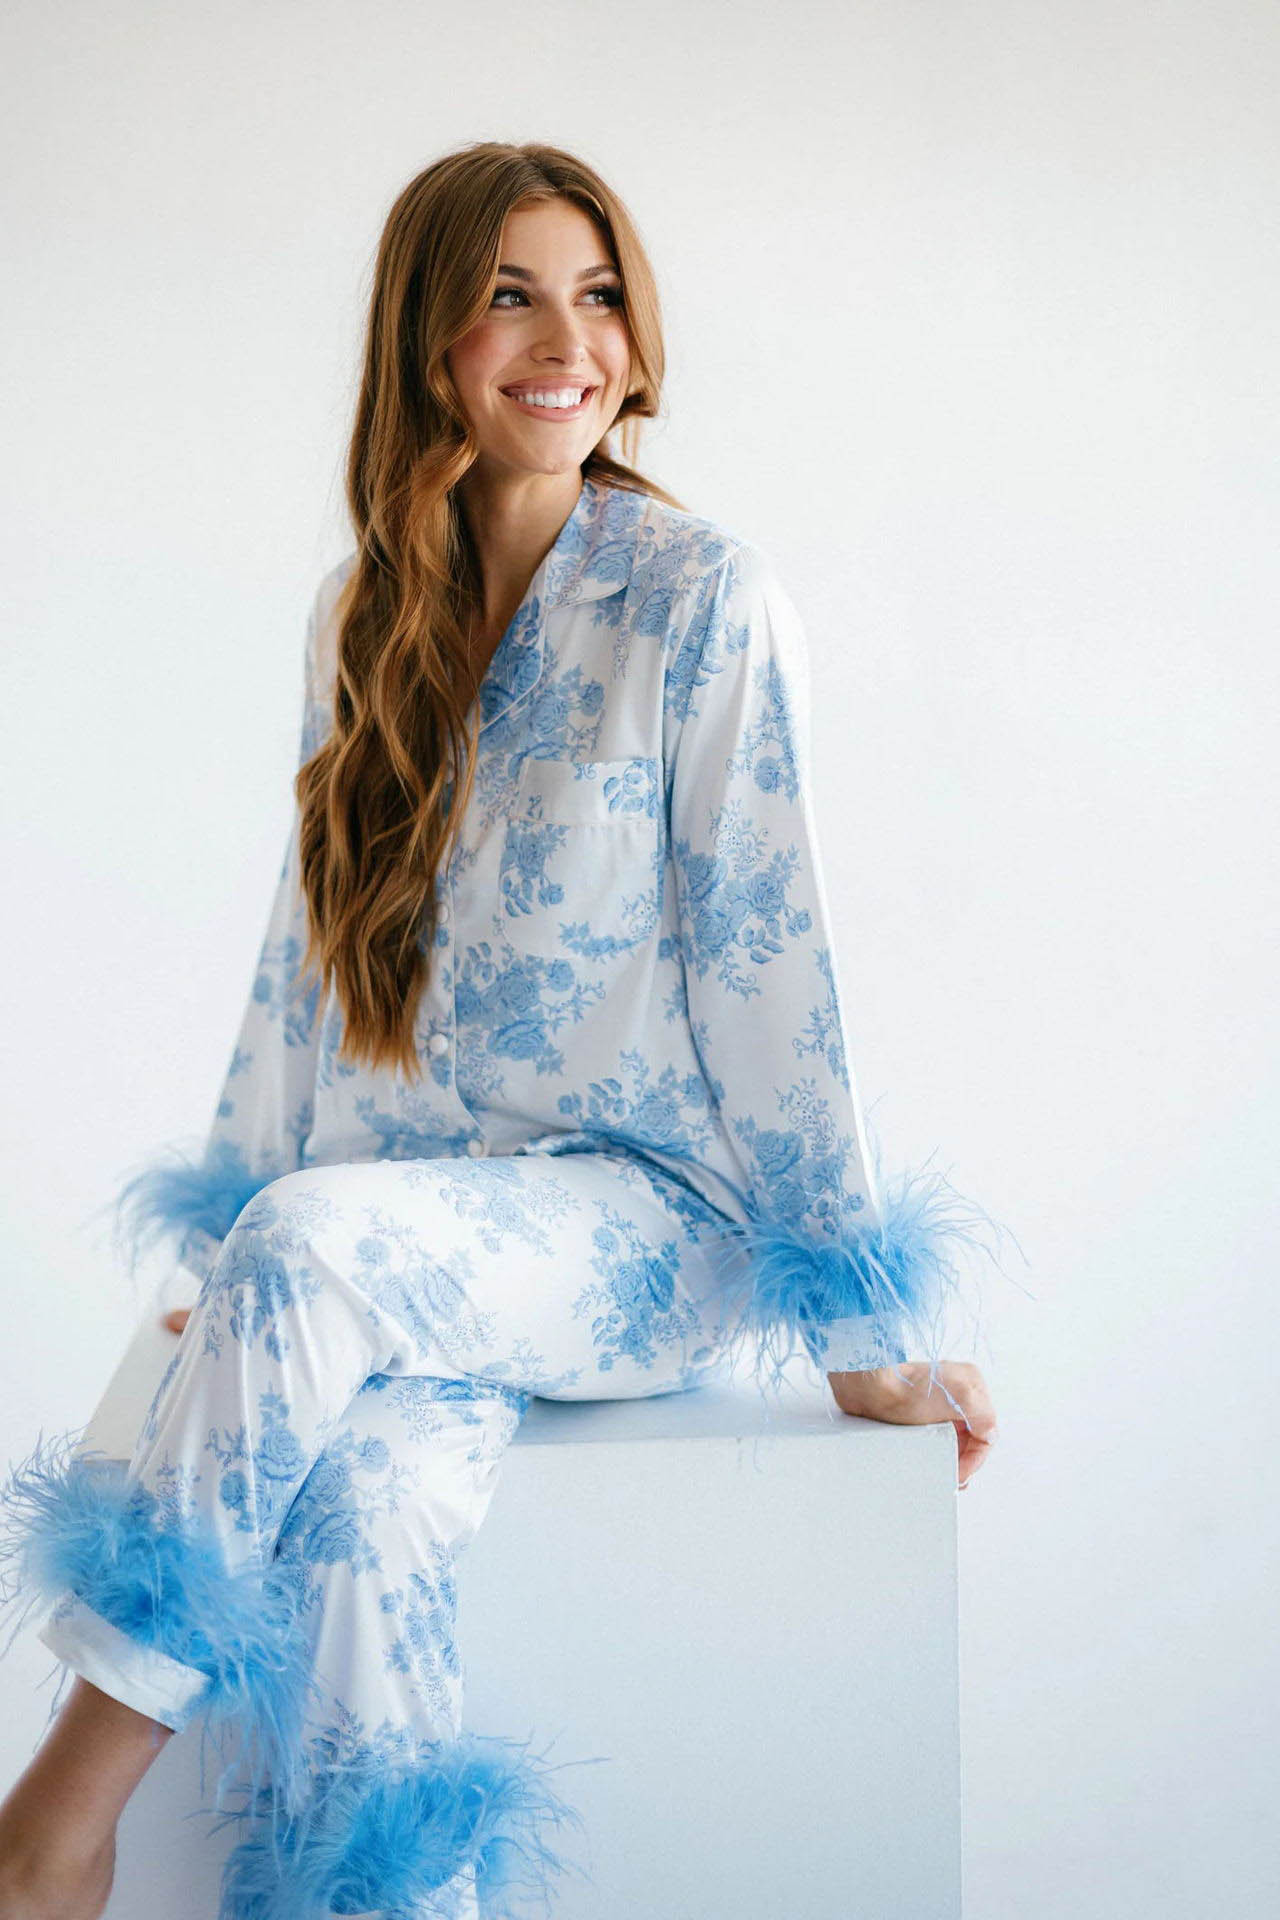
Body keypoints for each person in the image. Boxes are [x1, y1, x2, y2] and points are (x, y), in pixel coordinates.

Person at [0, 141, 1002, 1920]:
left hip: (651, 1225)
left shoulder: (699, 596)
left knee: (309, 1252)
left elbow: (773, 961)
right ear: (430, 340)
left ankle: (52, 1824)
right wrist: (242, 1252)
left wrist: (865, 1342)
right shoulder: (363, 611)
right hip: (428, 1228)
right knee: (359, 1518)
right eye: (510, 296)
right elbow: (311, 953)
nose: (568, 342)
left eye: (599, 295)